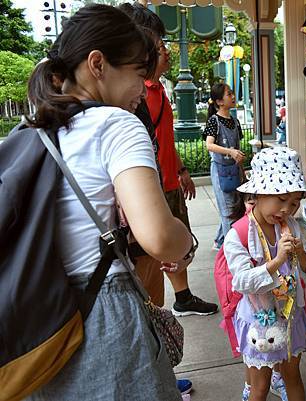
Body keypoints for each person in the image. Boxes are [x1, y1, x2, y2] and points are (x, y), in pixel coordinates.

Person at [23, 5, 193, 400]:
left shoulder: (35, 128)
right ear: (97, 63)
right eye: (138, 74)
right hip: (100, 316)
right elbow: (160, 238)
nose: (143, 89)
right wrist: (185, 243)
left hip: (41, 320)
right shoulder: (114, 124)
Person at [118, 3, 219, 322]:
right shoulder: (131, 103)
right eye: (158, 47)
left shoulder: (153, 91)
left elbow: (162, 140)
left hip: (164, 183)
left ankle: (182, 297)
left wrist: (181, 170)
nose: (164, 53)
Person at [224, 147, 306, 401]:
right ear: (259, 194)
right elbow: (241, 281)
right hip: (259, 322)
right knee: (260, 387)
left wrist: (299, 253)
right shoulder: (239, 234)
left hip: (290, 316)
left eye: (294, 202)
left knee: (292, 377)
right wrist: (276, 261)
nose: (286, 209)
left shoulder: (291, 226)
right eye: (281, 199)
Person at [204, 82, 245, 250]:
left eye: (232, 93)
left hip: (234, 170)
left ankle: (220, 241)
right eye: (229, 94)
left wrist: (242, 170)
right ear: (219, 101)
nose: (233, 96)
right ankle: (231, 252)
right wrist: (230, 152)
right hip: (221, 171)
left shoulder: (235, 121)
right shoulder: (214, 121)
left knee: (234, 208)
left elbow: (238, 149)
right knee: (228, 210)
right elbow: (209, 145)